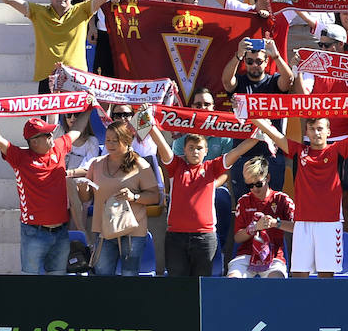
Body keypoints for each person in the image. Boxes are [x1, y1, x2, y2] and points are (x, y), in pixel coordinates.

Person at [255, 111, 348, 278]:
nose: (316, 133)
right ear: (306, 132)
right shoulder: (297, 150)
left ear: (328, 132)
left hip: (330, 225)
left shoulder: (337, 150)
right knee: (299, 276)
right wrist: (247, 112)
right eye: (312, 129)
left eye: (320, 128)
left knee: (326, 279)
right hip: (302, 224)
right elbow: (271, 131)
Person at [0, 102, 92, 274]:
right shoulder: (20, 158)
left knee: (57, 283)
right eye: (47, 134)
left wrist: (89, 107)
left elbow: (77, 130)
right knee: (30, 284)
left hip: (60, 232)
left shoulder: (58, 148)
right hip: (34, 233)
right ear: (34, 142)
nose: (52, 135)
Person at [150, 115, 260, 276]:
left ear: (206, 151)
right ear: (184, 150)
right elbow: (161, 144)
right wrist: (149, 122)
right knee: (176, 286)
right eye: (191, 147)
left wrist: (258, 134)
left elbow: (237, 152)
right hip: (175, 237)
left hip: (204, 238)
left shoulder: (212, 168)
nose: (195, 151)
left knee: (201, 286)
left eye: (199, 148)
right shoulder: (176, 167)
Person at [0, 0, 128, 93]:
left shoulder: (82, 10)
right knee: (47, 127)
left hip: (76, 79)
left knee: (76, 125)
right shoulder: (38, 12)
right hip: (47, 78)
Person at [79, 118, 162, 276]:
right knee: (102, 274)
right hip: (103, 231)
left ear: (127, 140)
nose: (110, 144)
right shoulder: (95, 164)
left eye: (115, 141)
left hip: (132, 231)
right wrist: (83, 189)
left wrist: (134, 196)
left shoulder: (140, 165)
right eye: (108, 140)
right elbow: (86, 199)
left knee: (129, 276)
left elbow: (155, 197)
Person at [229, 156, 295, 278]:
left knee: (276, 279)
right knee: (233, 280)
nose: (254, 189)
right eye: (250, 185)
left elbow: (298, 228)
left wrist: (276, 223)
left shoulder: (282, 199)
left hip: (274, 255)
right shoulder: (243, 201)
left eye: (258, 184)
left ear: (268, 177)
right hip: (246, 255)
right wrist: (253, 228)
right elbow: (237, 238)